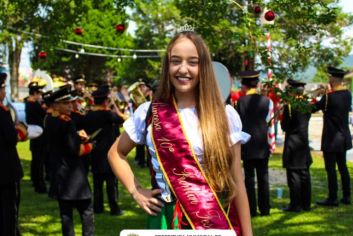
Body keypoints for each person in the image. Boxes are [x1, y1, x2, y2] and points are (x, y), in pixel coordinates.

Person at [108, 31, 252, 235]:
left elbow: (238, 182)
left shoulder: (224, 115)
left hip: (211, 219)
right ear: (167, 66)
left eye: (192, 62)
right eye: (176, 61)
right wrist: (136, 190)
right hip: (164, 219)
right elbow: (115, 153)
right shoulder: (149, 112)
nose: (183, 69)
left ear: (203, 67)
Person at [45, 85, 94, 236]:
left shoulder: (50, 119)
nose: (70, 105)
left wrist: (76, 136)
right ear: (55, 105)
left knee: (66, 216)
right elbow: (75, 150)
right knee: (86, 211)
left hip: (59, 174)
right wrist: (91, 145)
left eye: (69, 102)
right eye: (65, 103)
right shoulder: (66, 122)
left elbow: (60, 141)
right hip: (74, 176)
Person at [236, 71, 274, 217]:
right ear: (257, 84)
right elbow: (270, 125)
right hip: (262, 144)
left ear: (244, 85)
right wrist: (271, 144)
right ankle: (265, 209)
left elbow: (238, 125)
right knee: (264, 177)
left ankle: (251, 209)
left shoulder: (240, 102)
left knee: (249, 178)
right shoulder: (267, 101)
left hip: (248, 144)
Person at [84, 85, 125, 215]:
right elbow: (121, 119)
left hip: (95, 152)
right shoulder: (108, 115)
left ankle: (98, 207)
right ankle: (114, 208)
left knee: (97, 183)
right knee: (111, 182)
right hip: (109, 153)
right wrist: (114, 105)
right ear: (105, 101)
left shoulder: (89, 115)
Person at [314, 66, 352, 206]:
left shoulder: (328, 97)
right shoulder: (347, 94)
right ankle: (347, 196)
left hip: (331, 137)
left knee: (331, 169)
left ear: (335, 79)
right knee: (343, 167)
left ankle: (333, 197)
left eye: (330, 77)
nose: (329, 79)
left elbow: (314, 108)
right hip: (343, 136)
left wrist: (319, 93)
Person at [281, 79, 312, 212]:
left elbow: (284, 126)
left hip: (293, 144)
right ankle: (306, 203)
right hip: (303, 143)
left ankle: (296, 204)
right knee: (304, 174)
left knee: (294, 176)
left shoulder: (290, 106)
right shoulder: (307, 104)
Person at [0, 72, 23, 235]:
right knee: (8, 209)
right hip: (6, 169)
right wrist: (20, 132)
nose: (4, 92)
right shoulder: (2, 112)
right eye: (2, 88)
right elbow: (10, 138)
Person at [25, 80, 47, 193]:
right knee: (38, 162)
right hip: (38, 136)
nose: (40, 95)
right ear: (34, 94)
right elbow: (44, 115)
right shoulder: (33, 105)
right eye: (39, 93)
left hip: (36, 136)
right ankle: (39, 185)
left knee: (36, 161)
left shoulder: (30, 104)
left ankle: (37, 182)